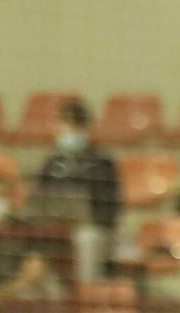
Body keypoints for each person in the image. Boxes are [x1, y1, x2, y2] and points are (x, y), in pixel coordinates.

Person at [33, 100, 120, 282]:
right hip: (54, 224)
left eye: (75, 126)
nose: (69, 131)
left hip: (91, 227)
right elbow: (38, 196)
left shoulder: (102, 163)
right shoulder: (52, 163)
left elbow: (112, 205)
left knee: (87, 238)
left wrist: (90, 218)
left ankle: (86, 291)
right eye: (66, 124)